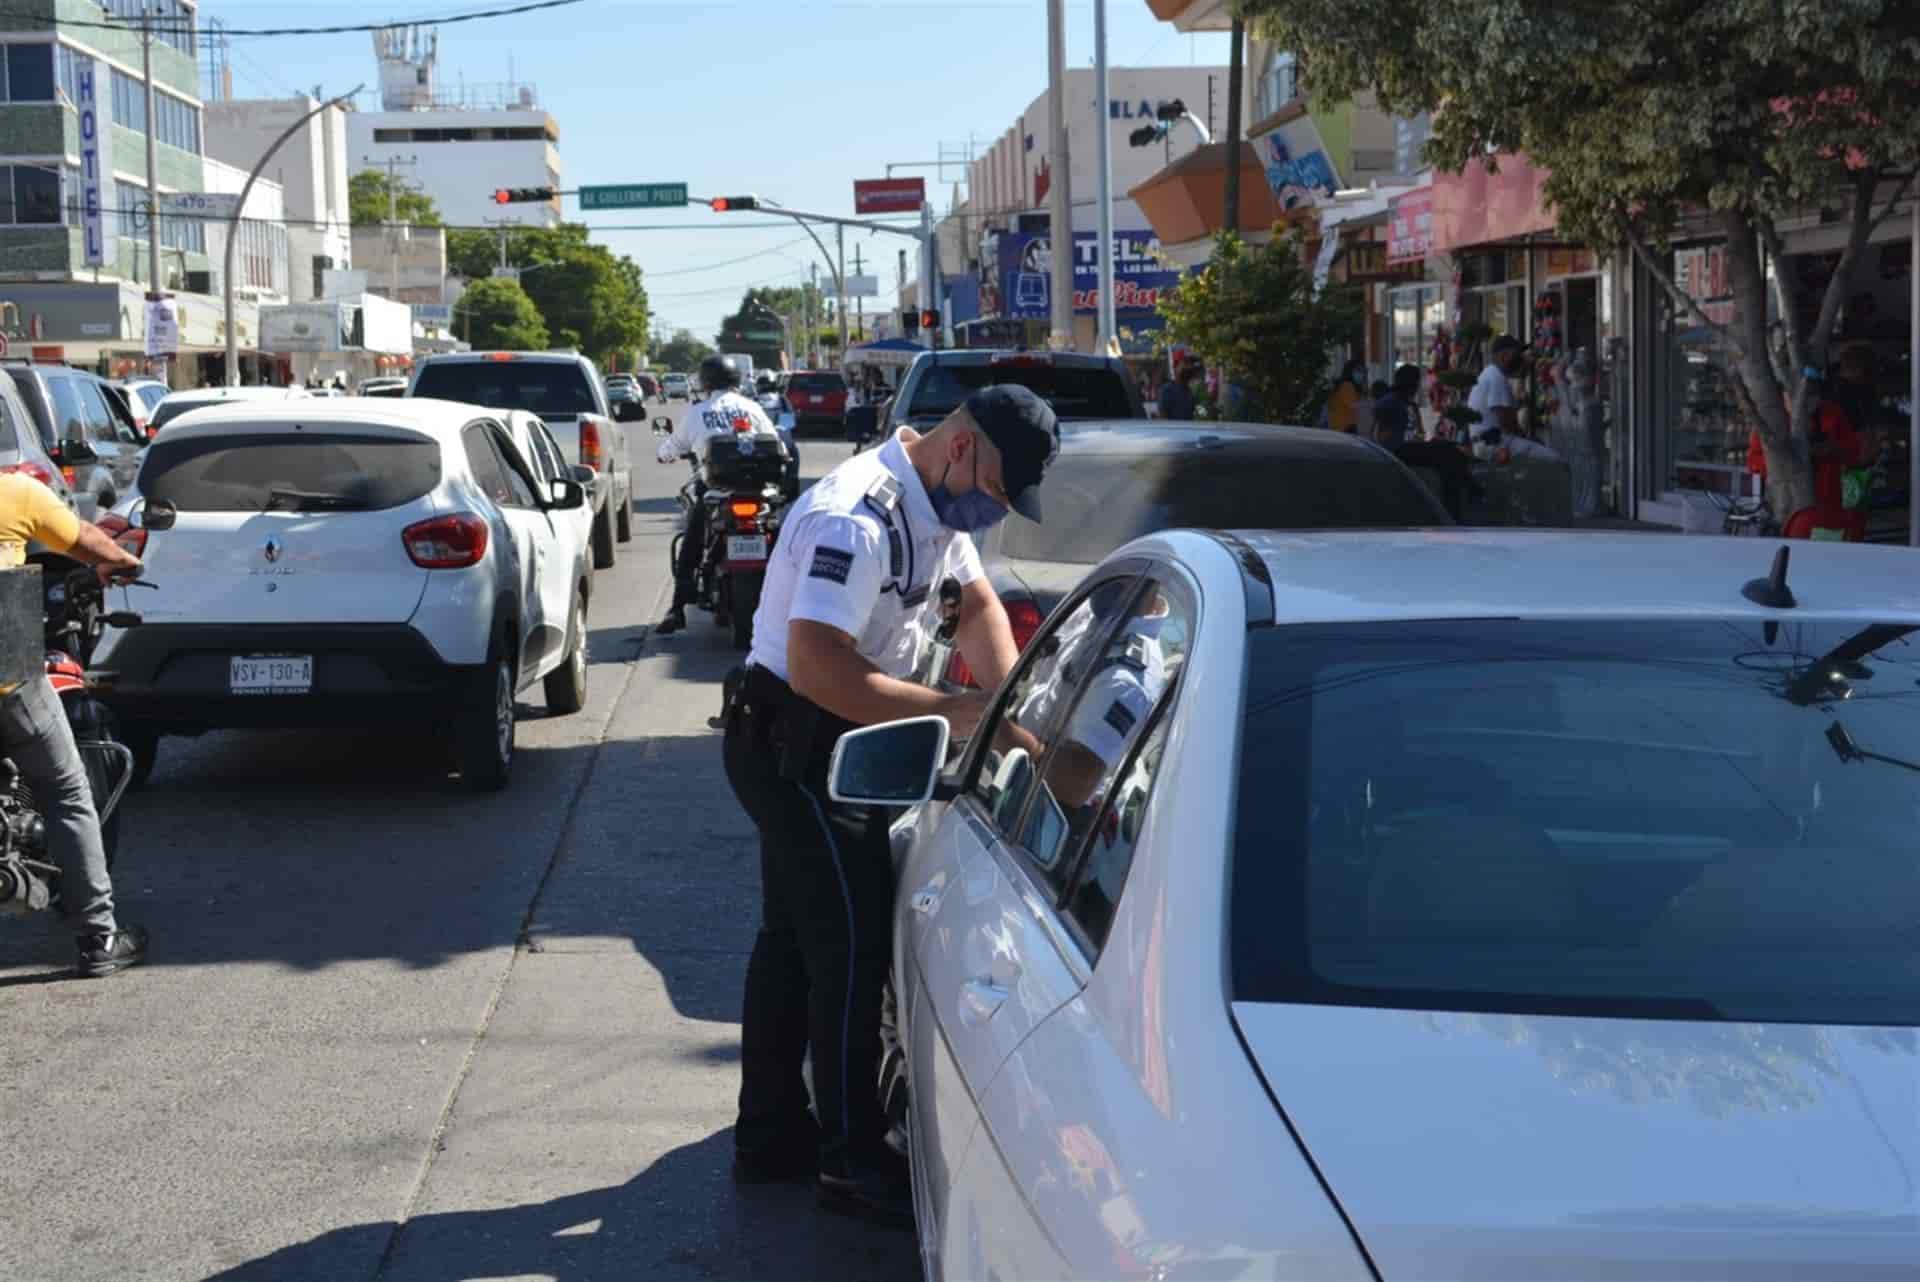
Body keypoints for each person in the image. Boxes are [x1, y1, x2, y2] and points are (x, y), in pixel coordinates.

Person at [721, 384, 1057, 1225]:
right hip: (798, 745)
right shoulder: (856, 517)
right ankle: (850, 1155)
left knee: (794, 939)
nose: (992, 512)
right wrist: (955, 711)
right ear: (961, 449)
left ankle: (768, 1134)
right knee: (850, 944)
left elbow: (974, 601)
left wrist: (1006, 700)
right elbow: (818, 667)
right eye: (995, 491)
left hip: (848, 740)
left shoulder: (935, 506)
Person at [0, 472, 147, 976]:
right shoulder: (14, 493)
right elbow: (86, 540)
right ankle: (99, 937)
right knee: (66, 789)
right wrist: (124, 560)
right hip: (10, 686)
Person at [654, 355, 782, 635]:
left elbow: (671, 447)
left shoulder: (699, 411)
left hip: (716, 491)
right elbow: (776, 444)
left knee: (692, 542)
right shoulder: (752, 408)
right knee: (781, 539)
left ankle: (677, 609)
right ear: (736, 380)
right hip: (757, 491)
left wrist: (663, 455)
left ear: (706, 381)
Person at [1468, 335, 1526, 445]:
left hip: (1491, 440)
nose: (1520, 358)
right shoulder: (1495, 376)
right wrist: (1526, 438)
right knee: (1553, 459)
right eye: (1516, 354)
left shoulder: (1492, 373)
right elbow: (1506, 421)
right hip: (1493, 443)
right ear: (1503, 356)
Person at [1371, 364, 1422, 449]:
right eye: (1417, 383)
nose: (1418, 387)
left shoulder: (1410, 405)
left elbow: (1418, 432)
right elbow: (1380, 437)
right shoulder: (1390, 404)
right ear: (1410, 384)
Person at [1325, 359, 1366, 432]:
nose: (1361, 374)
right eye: (1358, 370)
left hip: (1340, 427)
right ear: (1350, 371)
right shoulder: (1347, 386)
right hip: (1344, 428)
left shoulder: (1345, 385)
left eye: (1363, 371)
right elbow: (1354, 405)